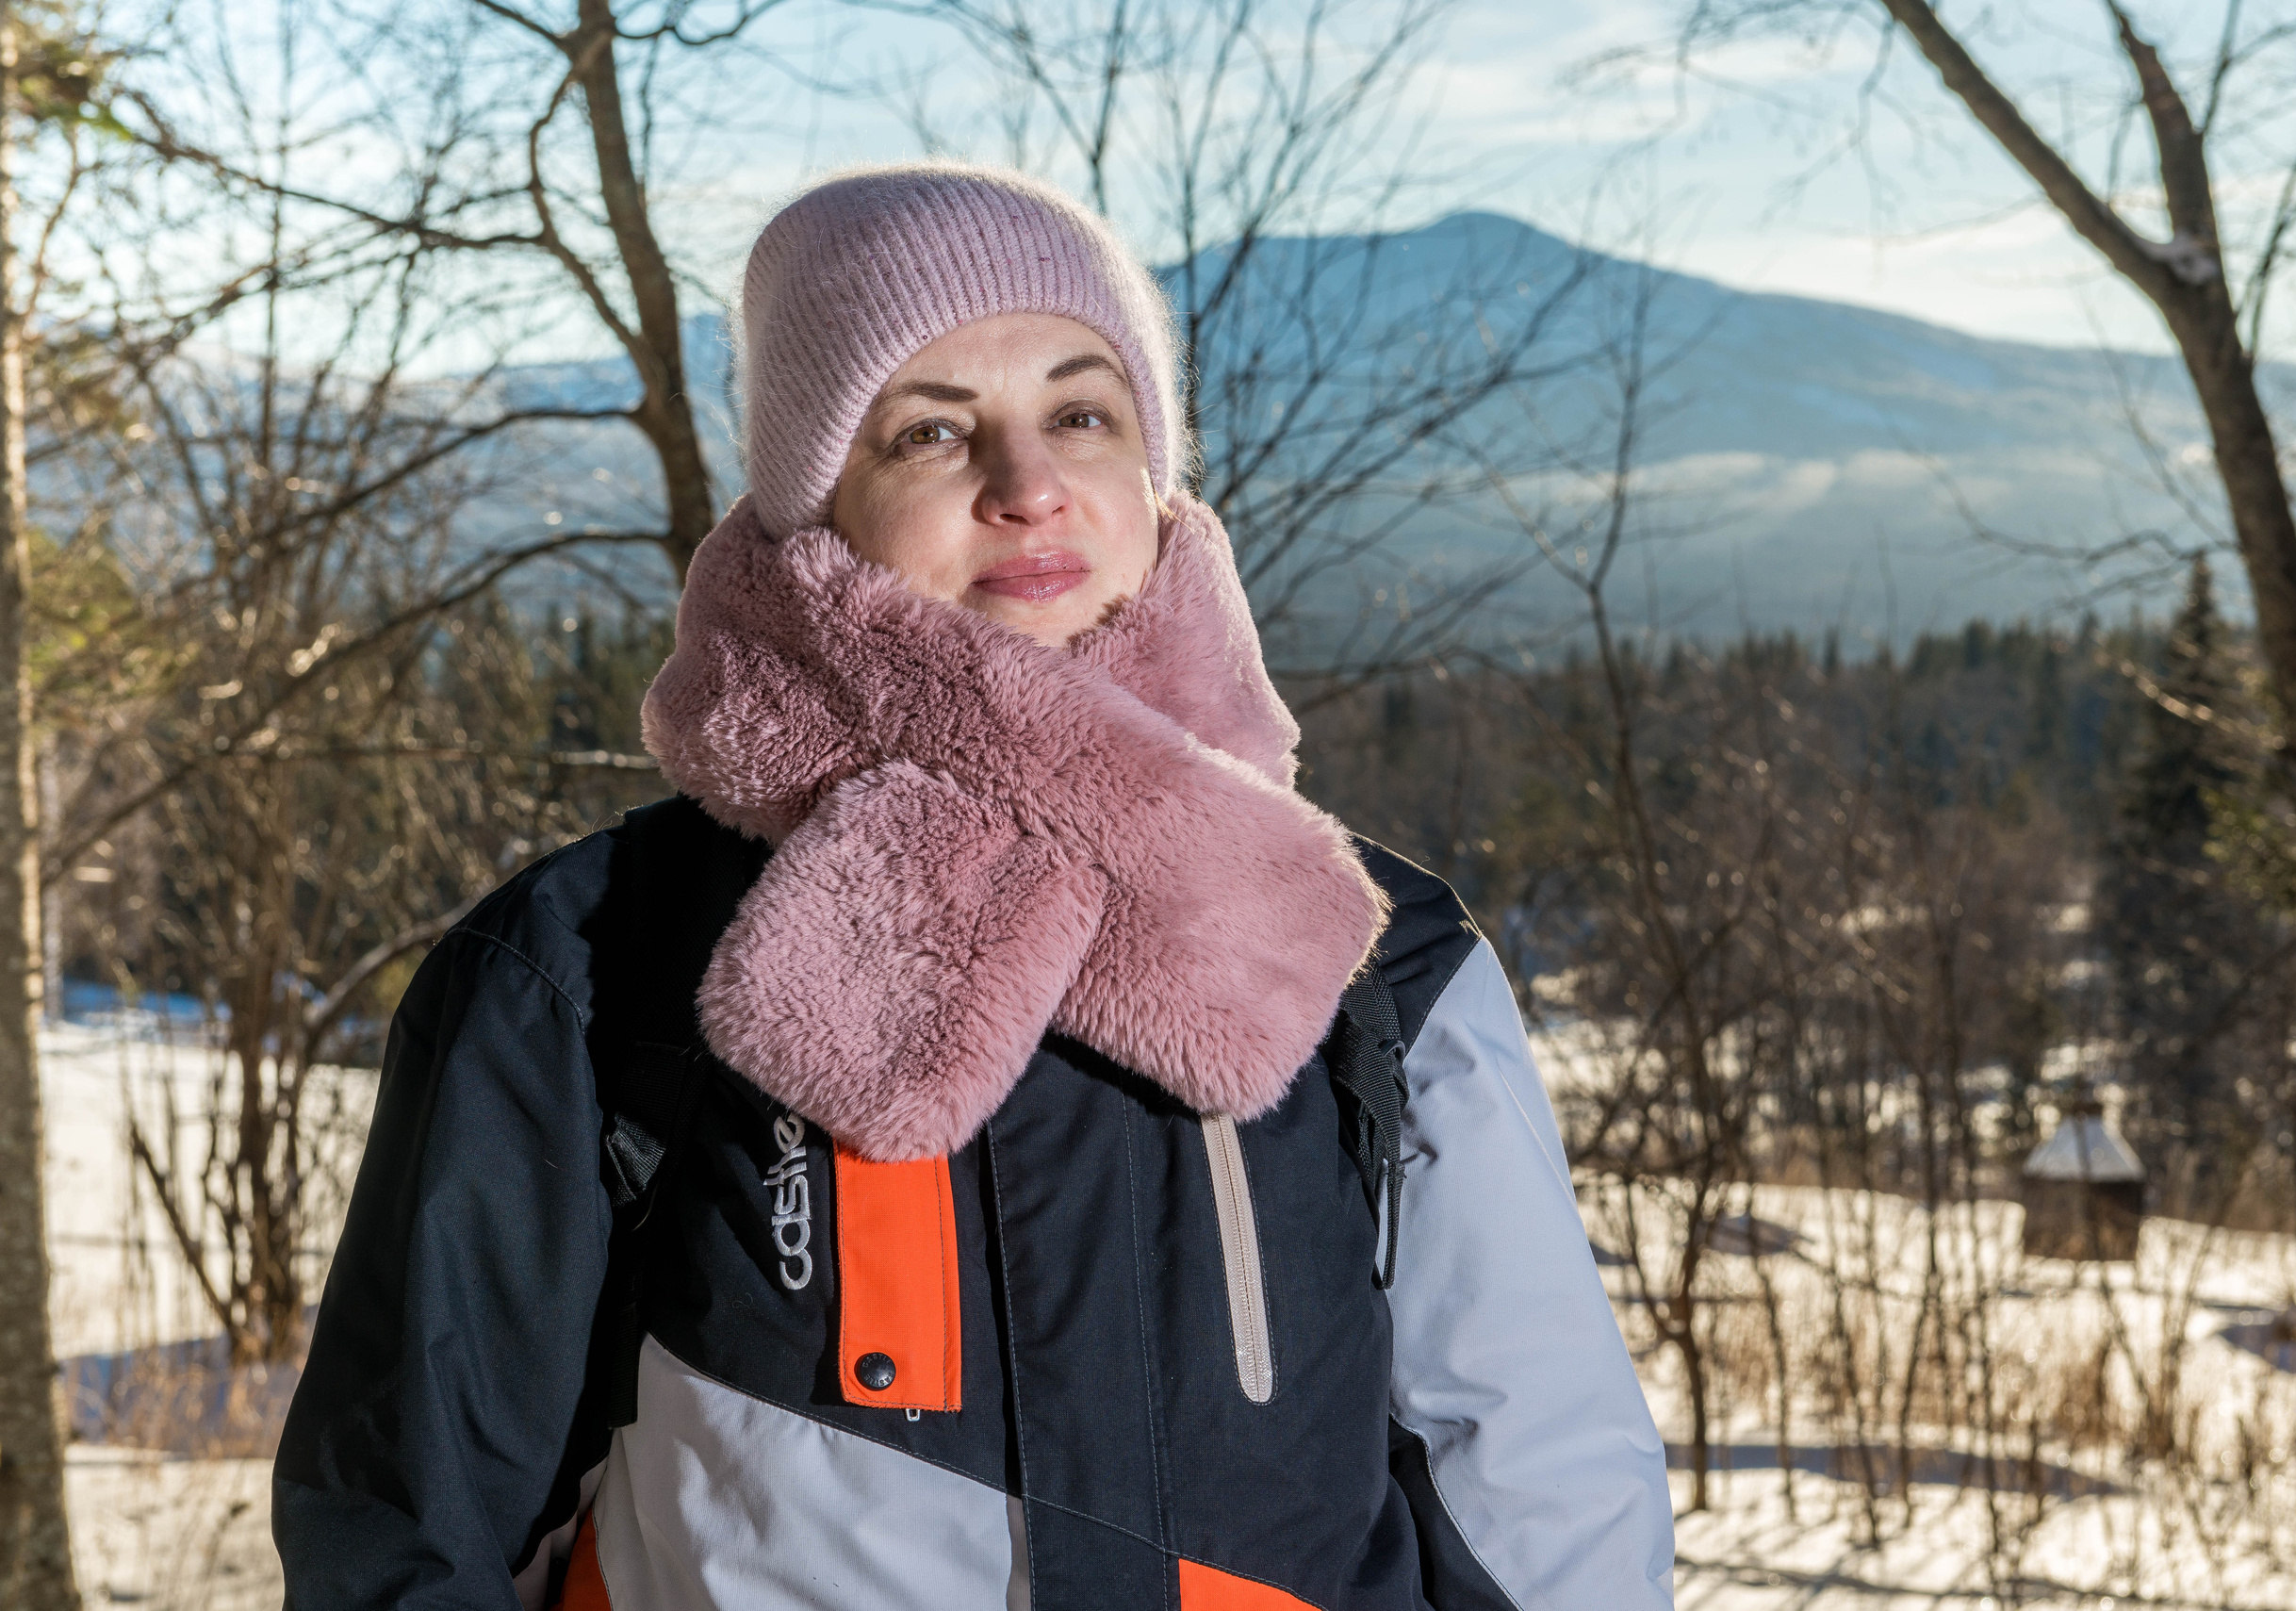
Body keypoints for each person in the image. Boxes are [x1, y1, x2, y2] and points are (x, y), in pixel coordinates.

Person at [271, 161, 1675, 1611]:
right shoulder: (586, 963)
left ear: (1152, 473)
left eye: (1081, 412)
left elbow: (1543, 1483)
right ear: (817, 507)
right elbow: (407, 1526)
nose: (1028, 487)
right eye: (933, 432)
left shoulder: (1379, 956)